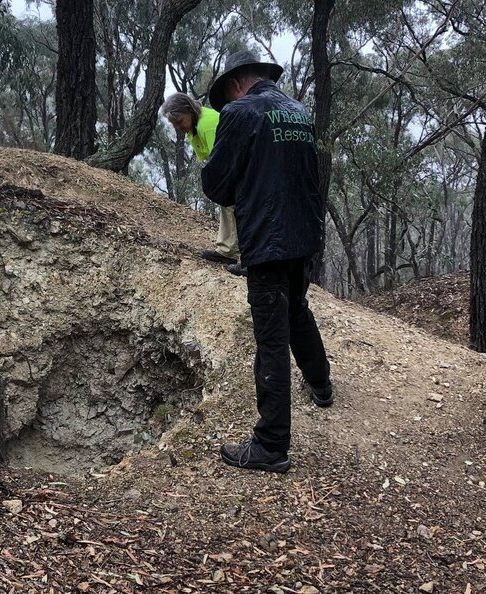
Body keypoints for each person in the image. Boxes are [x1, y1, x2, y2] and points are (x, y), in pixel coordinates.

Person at [201, 50, 333, 473]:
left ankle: (271, 444)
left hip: (268, 241)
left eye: (224, 95)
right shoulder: (298, 111)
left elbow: (217, 186)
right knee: (297, 310)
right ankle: (322, 385)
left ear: (235, 84)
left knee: (271, 337)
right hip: (304, 235)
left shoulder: (239, 114)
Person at [160, 93, 243, 275]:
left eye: (179, 121)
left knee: (236, 205)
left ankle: (240, 255)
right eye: (173, 124)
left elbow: (223, 157)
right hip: (231, 166)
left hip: (241, 166)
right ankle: (227, 249)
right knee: (227, 204)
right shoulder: (194, 127)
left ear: (189, 111)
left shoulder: (207, 125)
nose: (177, 127)